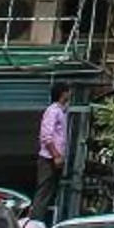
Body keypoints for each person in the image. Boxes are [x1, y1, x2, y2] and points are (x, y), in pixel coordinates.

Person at [32, 83, 73, 220]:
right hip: (49, 158)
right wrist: (56, 155)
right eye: (68, 91)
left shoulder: (62, 111)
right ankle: (36, 221)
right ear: (63, 94)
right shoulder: (53, 111)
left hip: (56, 158)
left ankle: (45, 219)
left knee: (52, 190)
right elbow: (46, 137)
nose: (70, 94)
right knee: (44, 191)